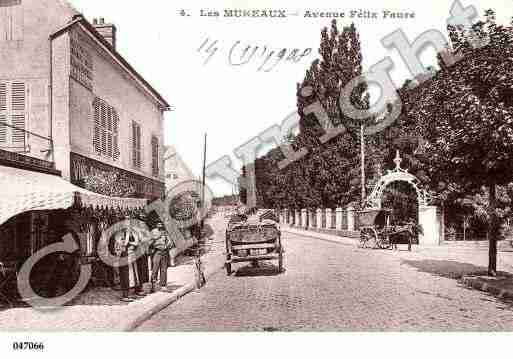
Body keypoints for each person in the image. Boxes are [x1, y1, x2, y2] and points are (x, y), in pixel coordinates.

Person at [116, 218, 145, 302]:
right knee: (125, 275)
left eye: (129, 223)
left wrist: (130, 242)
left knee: (134, 274)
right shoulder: (120, 233)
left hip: (132, 254)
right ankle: (125, 294)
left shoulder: (133, 232)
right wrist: (128, 237)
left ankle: (136, 290)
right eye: (126, 223)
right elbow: (122, 244)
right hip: (124, 256)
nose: (128, 225)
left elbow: (137, 242)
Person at [150, 222, 173, 292]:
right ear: (156, 225)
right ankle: (153, 285)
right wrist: (156, 238)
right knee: (155, 268)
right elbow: (149, 241)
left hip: (164, 251)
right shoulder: (153, 231)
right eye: (158, 224)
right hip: (156, 251)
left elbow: (170, 241)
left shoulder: (164, 232)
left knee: (164, 269)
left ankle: (163, 285)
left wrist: (167, 245)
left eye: (161, 224)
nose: (160, 225)